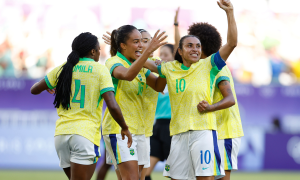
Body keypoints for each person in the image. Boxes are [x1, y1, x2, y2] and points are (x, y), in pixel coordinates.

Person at [143, 0, 237, 179]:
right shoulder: (169, 68)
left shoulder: (209, 65)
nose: (195, 49)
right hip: (177, 134)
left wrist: (229, 12)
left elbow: (232, 43)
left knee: (204, 177)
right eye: (189, 46)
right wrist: (147, 49)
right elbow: (139, 62)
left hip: (203, 132)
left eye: (198, 46)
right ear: (179, 50)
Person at [30, 32, 132, 180]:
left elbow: (34, 90)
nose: (100, 52)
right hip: (84, 135)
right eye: (98, 49)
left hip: (61, 135)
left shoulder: (63, 69)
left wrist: (47, 86)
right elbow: (112, 104)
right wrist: (124, 127)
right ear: (92, 51)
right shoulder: (100, 70)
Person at [101, 25, 167, 180]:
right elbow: (128, 75)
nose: (141, 45)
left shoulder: (140, 64)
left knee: (138, 178)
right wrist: (146, 54)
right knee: (131, 178)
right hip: (119, 129)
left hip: (140, 130)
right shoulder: (113, 62)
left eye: (143, 42)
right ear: (123, 45)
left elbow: (158, 85)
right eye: (137, 41)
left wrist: (164, 70)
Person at [187, 2, 244, 180]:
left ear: (201, 45)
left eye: (194, 44)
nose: (191, 47)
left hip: (224, 132)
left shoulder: (218, 67)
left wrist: (209, 107)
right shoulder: (198, 67)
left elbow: (230, 99)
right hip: (208, 132)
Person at [144, 7, 181, 180]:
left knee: (174, 172)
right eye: (161, 55)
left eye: (166, 55)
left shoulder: (177, 75)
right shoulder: (155, 78)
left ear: (175, 57)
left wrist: (175, 25)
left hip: (173, 127)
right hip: (157, 126)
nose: (163, 58)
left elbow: (179, 48)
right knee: (143, 173)